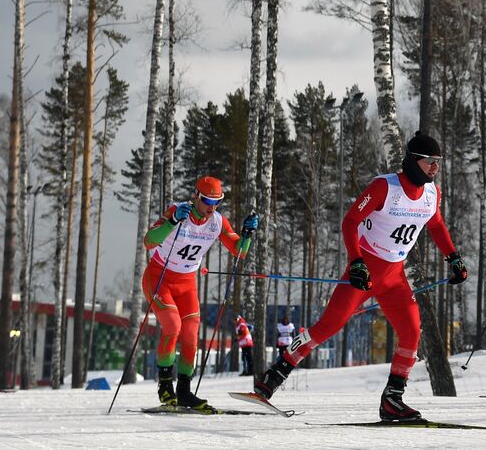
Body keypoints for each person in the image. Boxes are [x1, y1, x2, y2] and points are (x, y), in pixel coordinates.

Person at [253, 132, 468, 422]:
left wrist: (453, 257)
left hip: (394, 275)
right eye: (431, 162)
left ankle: (392, 400)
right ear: (414, 161)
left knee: (411, 331)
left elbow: (436, 224)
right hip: (366, 269)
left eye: (438, 162)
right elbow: (350, 220)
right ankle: (273, 376)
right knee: (330, 325)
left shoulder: (432, 194)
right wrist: (356, 262)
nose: (435, 168)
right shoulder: (384, 187)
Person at [141, 175, 259, 411]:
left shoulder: (217, 222)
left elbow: (239, 251)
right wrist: (172, 220)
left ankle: (184, 392)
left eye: (217, 202)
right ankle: (165, 386)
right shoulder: (178, 210)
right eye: (206, 200)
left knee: (191, 338)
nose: (211, 207)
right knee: (172, 326)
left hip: (187, 283)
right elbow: (149, 241)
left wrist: (247, 234)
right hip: (159, 278)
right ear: (196, 196)